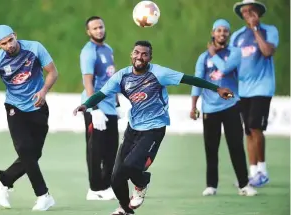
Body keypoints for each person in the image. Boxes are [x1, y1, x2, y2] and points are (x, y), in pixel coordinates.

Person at [73, 40, 234, 215]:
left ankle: (142, 183)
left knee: (132, 165)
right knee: (116, 179)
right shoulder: (122, 76)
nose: (139, 57)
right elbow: (101, 94)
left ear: (150, 57)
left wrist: (217, 88)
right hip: (133, 129)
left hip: (154, 128)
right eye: (136, 52)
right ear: (131, 54)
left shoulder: (159, 73)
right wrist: (86, 105)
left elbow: (190, 79)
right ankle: (125, 209)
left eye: (144, 54)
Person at [0, 25, 58, 211]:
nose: (9, 45)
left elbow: (53, 72)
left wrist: (43, 91)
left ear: (15, 36)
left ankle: (2, 184)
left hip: (38, 105)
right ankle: (43, 195)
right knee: (24, 149)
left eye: (10, 40)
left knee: (33, 154)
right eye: (4, 43)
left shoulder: (34, 48)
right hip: (14, 107)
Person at [213, 0, 279, 187]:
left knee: (255, 126)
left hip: (262, 87)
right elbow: (231, 62)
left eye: (251, 11)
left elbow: (267, 52)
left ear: (258, 12)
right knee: (248, 130)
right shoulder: (237, 37)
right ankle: (252, 173)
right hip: (243, 90)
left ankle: (262, 171)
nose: (247, 14)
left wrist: (256, 29)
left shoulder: (269, 30)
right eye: (244, 12)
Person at [190, 19, 257, 196]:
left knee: (236, 146)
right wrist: (193, 105)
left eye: (225, 31)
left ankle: (244, 185)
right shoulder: (203, 57)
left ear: (228, 34)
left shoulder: (235, 52)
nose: (222, 34)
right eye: (218, 31)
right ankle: (211, 186)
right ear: (213, 33)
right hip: (210, 109)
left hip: (231, 106)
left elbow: (226, 69)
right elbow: (197, 82)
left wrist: (213, 55)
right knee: (211, 148)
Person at [80, 16, 121, 200]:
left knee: (111, 148)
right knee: (96, 149)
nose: (99, 30)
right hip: (96, 107)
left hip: (110, 106)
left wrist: (117, 102)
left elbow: (111, 78)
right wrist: (94, 108)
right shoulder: (88, 52)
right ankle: (94, 188)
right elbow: (88, 81)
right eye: (95, 28)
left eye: (101, 27)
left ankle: (106, 186)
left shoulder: (108, 49)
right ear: (89, 32)